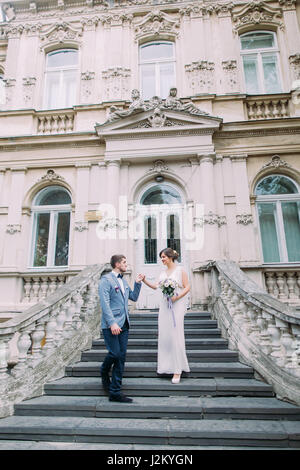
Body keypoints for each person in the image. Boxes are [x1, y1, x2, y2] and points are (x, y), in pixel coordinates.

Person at [98, 254, 143, 402]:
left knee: (121, 358)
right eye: (124, 262)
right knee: (115, 353)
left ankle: (115, 392)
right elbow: (104, 304)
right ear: (117, 264)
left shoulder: (123, 282)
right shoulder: (106, 280)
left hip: (124, 324)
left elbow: (134, 297)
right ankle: (104, 371)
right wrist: (112, 323)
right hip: (111, 325)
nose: (126, 264)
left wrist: (137, 283)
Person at [142, 248, 190, 384]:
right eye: (161, 257)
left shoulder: (180, 271)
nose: (162, 259)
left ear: (170, 257)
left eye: (163, 257)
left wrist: (177, 297)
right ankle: (165, 367)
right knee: (165, 335)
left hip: (177, 304)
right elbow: (156, 286)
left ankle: (177, 370)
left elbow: (187, 287)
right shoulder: (162, 272)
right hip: (165, 306)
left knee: (176, 334)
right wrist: (145, 280)